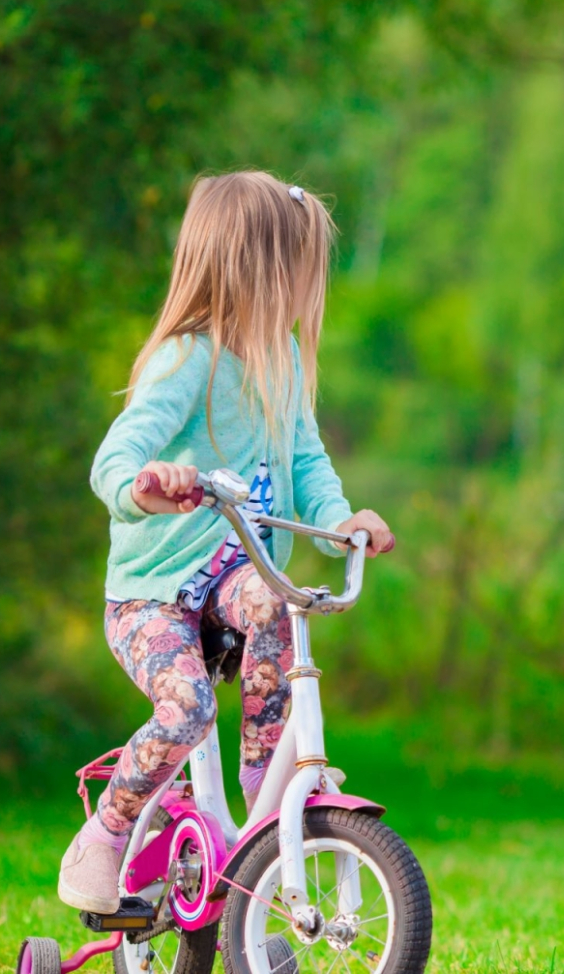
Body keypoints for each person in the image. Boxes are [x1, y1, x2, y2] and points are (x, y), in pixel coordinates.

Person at [58, 172, 397, 915]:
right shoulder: (190, 360)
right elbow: (114, 457)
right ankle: (108, 832)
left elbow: (308, 461)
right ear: (259, 269)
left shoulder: (277, 361)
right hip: (152, 598)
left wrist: (342, 519)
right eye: (300, 267)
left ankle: (261, 782)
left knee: (277, 600)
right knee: (185, 709)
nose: (309, 287)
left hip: (225, 583)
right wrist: (146, 484)